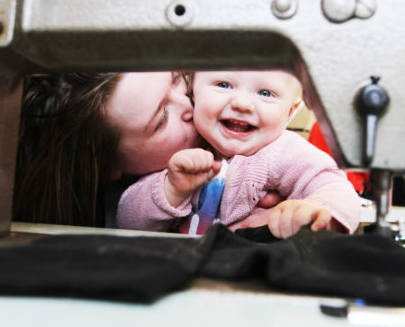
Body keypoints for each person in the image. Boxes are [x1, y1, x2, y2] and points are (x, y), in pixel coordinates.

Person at [14, 71, 281, 228]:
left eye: (176, 79)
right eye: (162, 119)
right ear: (109, 166)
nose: (190, 104)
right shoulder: (125, 219)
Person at [116, 70, 361, 238]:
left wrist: (318, 211)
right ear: (195, 93)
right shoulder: (181, 155)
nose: (242, 104)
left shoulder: (285, 150)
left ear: (290, 112)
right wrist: (170, 188)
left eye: (265, 93)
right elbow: (127, 221)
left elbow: (336, 187)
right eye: (223, 85)